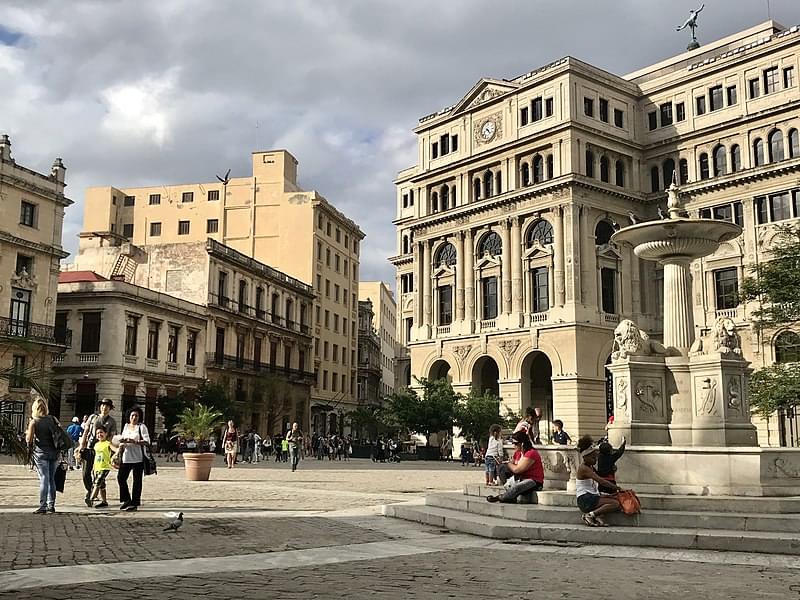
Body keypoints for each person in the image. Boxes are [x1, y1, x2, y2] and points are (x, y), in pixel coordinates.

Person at [74, 398, 117, 508]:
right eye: (103, 405)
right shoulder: (93, 417)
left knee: (99, 473)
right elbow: (86, 432)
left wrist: (110, 451)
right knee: (85, 473)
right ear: (100, 407)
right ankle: (91, 490)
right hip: (89, 448)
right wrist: (81, 446)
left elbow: (111, 437)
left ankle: (93, 495)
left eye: (107, 406)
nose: (104, 408)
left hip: (102, 450)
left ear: (110, 408)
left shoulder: (112, 422)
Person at [25, 395, 62, 514]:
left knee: (44, 479)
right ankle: (51, 505)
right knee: (52, 479)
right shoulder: (53, 419)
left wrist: (28, 433)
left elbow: (29, 440)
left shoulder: (34, 421)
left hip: (41, 453)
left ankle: (43, 505)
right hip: (54, 453)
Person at [575, 435, 622, 527]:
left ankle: (597, 515)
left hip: (591, 496)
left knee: (614, 499)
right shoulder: (583, 468)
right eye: (593, 458)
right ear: (585, 457)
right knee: (615, 504)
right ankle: (590, 515)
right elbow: (601, 481)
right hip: (585, 499)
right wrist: (617, 488)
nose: (595, 460)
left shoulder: (590, 467)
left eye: (596, 457)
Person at [487, 430, 544, 504]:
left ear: (522, 443)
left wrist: (508, 463)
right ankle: (510, 494)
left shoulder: (531, 453)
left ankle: (501, 497)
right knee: (502, 468)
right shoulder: (517, 453)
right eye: (513, 443)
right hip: (520, 478)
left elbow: (517, 469)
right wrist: (503, 463)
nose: (514, 446)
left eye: (516, 443)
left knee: (516, 487)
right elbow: (512, 465)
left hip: (533, 480)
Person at [116, 406, 150, 512]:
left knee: (137, 481)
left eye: (136, 415)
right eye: (132, 415)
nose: (134, 417)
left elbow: (147, 441)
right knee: (121, 478)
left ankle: (135, 503)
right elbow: (121, 440)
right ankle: (126, 499)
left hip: (138, 458)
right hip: (126, 457)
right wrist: (122, 441)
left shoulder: (142, 427)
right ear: (129, 416)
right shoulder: (126, 426)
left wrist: (135, 441)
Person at [88, 425, 114, 509]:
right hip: (97, 467)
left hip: (105, 467)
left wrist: (118, 451)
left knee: (97, 483)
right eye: (97, 433)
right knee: (102, 485)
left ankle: (91, 498)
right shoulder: (96, 445)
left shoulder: (108, 444)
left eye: (101, 432)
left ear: (106, 434)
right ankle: (104, 501)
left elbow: (115, 449)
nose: (99, 434)